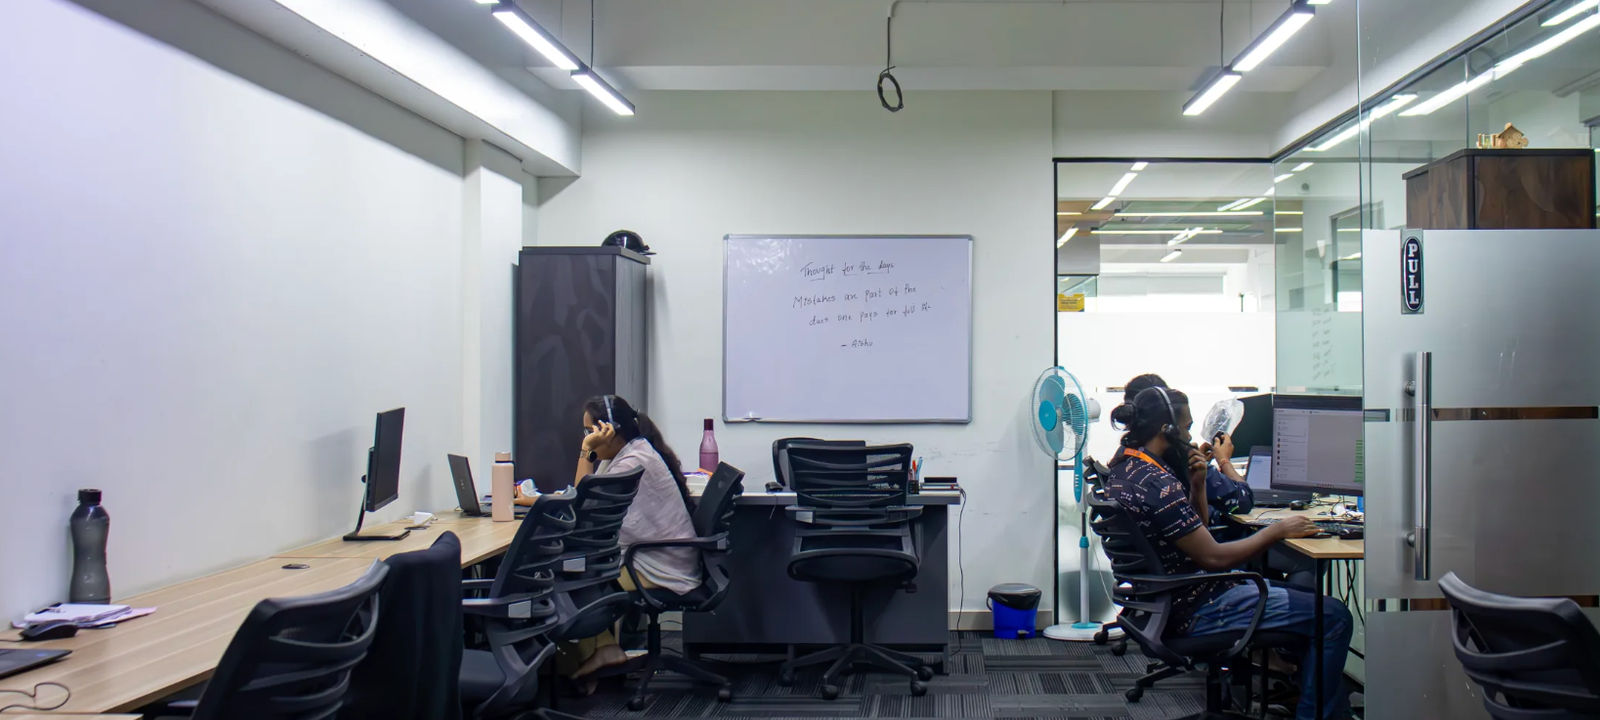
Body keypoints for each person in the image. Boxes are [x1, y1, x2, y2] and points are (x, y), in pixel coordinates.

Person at [1105, 387, 1353, 720]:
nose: (1191, 435)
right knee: (1333, 616)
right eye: (1187, 426)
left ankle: (1320, 706)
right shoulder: (1158, 484)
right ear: (1167, 429)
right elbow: (1214, 558)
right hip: (1198, 607)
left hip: (1166, 602)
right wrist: (1277, 530)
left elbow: (1197, 532)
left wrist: (1197, 484)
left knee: (1309, 604)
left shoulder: (1125, 468)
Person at [557, 395, 701, 689]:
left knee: (571, 576)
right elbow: (585, 501)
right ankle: (601, 652)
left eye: (590, 431)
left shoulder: (632, 462)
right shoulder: (627, 455)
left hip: (657, 564)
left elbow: (581, 511)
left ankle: (598, 655)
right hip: (656, 556)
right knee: (578, 567)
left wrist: (586, 451)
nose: (588, 437)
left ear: (609, 429)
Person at [1121, 374, 1254, 523]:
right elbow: (1243, 500)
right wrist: (1224, 460)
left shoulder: (1124, 459)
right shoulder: (1172, 468)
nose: (1190, 437)